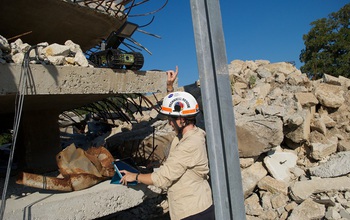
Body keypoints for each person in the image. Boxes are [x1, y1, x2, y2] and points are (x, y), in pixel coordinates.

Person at [119, 67, 214, 220]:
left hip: (193, 212)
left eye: (171, 120)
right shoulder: (191, 133)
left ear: (182, 120)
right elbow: (178, 109)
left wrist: (135, 176)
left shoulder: (189, 144)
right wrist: (170, 87)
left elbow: (162, 179)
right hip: (196, 207)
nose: (169, 123)